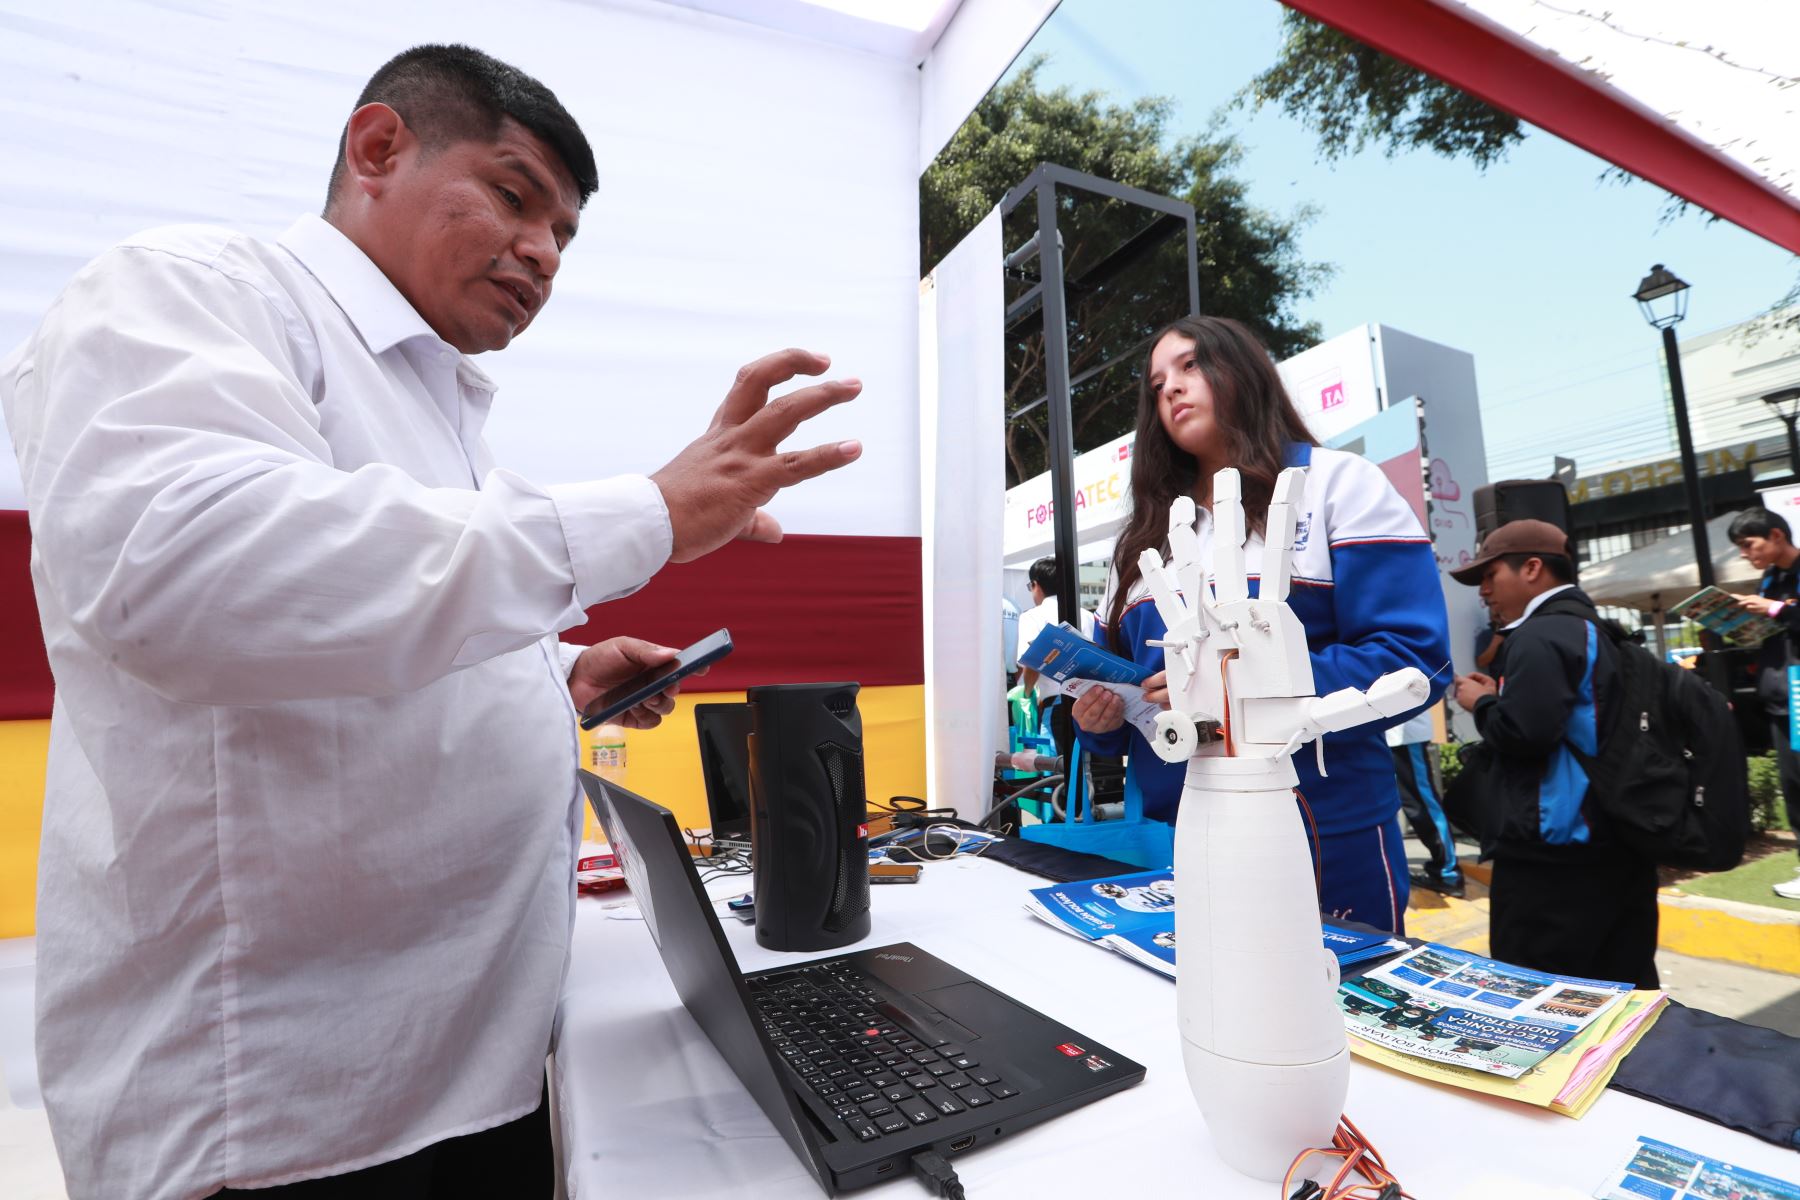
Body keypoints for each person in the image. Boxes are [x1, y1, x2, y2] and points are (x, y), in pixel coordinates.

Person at [1, 45, 862, 1200]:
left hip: (462, 1072)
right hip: (289, 1120)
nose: (542, 255)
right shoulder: (192, 289)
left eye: (563, 236)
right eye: (513, 197)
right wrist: (645, 513)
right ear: (377, 149)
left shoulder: (435, 404)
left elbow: (360, 620)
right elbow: (187, 575)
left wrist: (551, 671)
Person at [1068, 315, 1451, 934]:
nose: (1170, 388)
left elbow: (1416, 661)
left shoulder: (1338, 485)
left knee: (1341, 1015)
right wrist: (1099, 724)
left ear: (1241, 370)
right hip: (1186, 829)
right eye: (1156, 381)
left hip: (1326, 825)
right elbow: (1134, 695)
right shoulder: (1140, 545)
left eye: (1190, 365)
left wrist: (1240, 687)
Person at [1449, 519, 1661, 988]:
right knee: (1624, 993)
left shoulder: (1539, 636)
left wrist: (1481, 703)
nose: (1483, 591)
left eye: (1490, 576)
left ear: (1531, 568)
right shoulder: (1600, 630)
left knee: (1542, 999)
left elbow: (1525, 734)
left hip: (1553, 865)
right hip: (1618, 847)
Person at [1725, 507, 1800, 900]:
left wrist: (1772, 608)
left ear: (1775, 535)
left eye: (1748, 544)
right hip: (1778, 696)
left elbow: (1788, 617)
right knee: (1794, 786)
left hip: (1798, 691)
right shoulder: (1771, 578)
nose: (1744, 554)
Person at [1016, 555, 1098, 780]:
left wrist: (1027, 692)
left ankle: (1065, 814)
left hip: (1057, 705)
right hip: (1093, 700)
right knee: (1090, 770)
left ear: (1036, 585)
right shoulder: (1087, 615)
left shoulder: (1032, 616)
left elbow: (1033, 662)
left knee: (1060, 772)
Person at [1388, 709, 1465, 897]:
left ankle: (1448, 873)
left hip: (1404, 734)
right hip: (1387, 734)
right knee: (1412, 803)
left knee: (1420, 803)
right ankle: (1445, 870)